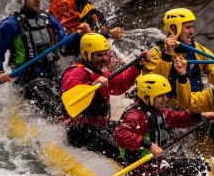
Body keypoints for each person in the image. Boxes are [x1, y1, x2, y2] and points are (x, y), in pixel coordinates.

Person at [0, 0, 89, 118]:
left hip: (54, 75)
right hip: (27, 82)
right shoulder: (10, 24)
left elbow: (65, 46)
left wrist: (80, 36)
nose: (38, 0)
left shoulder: (49, 19)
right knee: (40, 89)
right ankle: (63, 119)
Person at [114, 74, 214, 176]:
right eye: (161, 95)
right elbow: (121, 134)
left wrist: (200, 115)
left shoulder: (156, 111)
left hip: (158, 166)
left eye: (165, 94)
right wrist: (149, 145)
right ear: (147, 97)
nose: (166, 98)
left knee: (202, 166)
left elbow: (176, 118)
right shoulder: (136, 116)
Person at [61, 33, 150, 161]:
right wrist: (92, 86)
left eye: (105, 54)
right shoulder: (75, 73)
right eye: (99, 55)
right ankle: (130, 166)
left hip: (100, 127)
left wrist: (138, 65)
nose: (104, 59)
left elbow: (120, 85)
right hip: (80, 131)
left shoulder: (102, 72)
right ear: (86, 54)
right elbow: (69, 102)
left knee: (131, 132)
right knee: (120, 149)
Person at [48, 0, 125, 67]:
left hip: (92, 50)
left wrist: (104, 30)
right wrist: (108, 34)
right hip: (79, 56)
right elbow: (75, 39)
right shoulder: (62, 3)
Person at [142, 8, 214, 106]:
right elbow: (151, 86)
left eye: (192, 27)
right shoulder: (156, 53)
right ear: (174, 28)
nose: (192, 31)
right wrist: (167, 55)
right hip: (168, 108)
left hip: (193, 104)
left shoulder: (197, 49)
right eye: (188, 27)